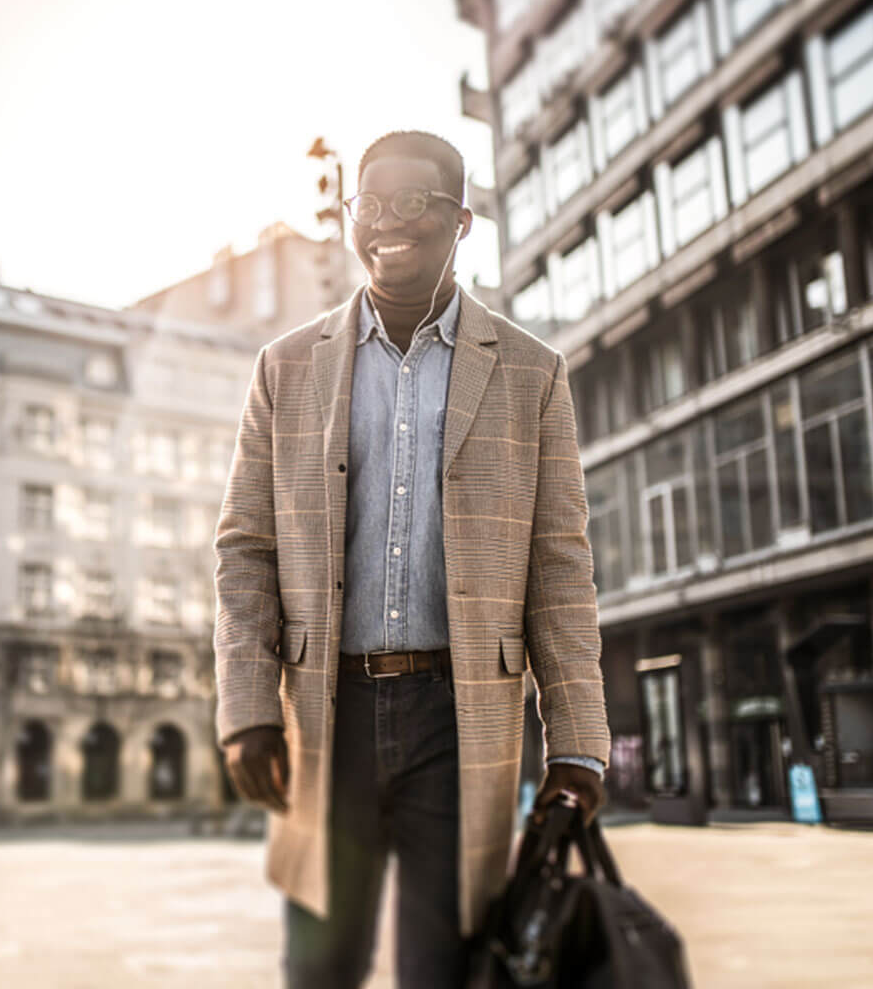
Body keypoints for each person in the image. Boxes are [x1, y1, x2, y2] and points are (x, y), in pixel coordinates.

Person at [215, 131, 610, 988]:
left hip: (462, 719)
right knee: (320, 969)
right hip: (326, 717)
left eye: (413, 204)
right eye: (370, 205)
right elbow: (246, 550)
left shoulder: (532, 375)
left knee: (446, 971)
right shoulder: (284, 369)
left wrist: (578, 746)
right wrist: (246, 705)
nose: (387, 224)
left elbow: (560, 570)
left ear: (461, 221)